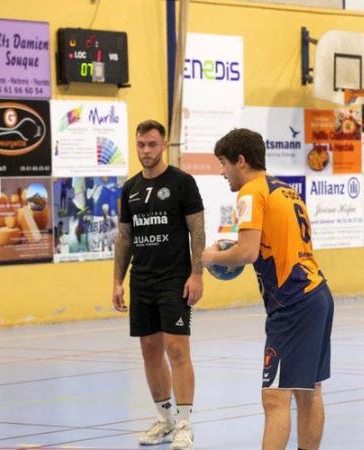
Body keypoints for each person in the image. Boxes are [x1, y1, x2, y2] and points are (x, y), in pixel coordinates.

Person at [202, 128, 334, 450]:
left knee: (274, 397)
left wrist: (211, 257)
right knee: (308, 391)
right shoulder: (287, 191)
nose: (222, 173)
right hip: (317, 293)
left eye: (224, 164)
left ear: (241, 161)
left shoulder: (249, 193)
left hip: (292, 303)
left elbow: (245, 253)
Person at [112, 119, 205, 450]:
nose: (146, 150)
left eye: (152, 144)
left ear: (163, 145)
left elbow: (197, 230)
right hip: (142, 280)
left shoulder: (182, 183)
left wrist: (197, 274)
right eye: (141, 144)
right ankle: (164, 419)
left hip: (174, 280)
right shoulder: (130, 188)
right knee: (149, 349)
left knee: (177, 349)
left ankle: (184, 423)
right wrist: (117, 281)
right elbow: (124, 238)